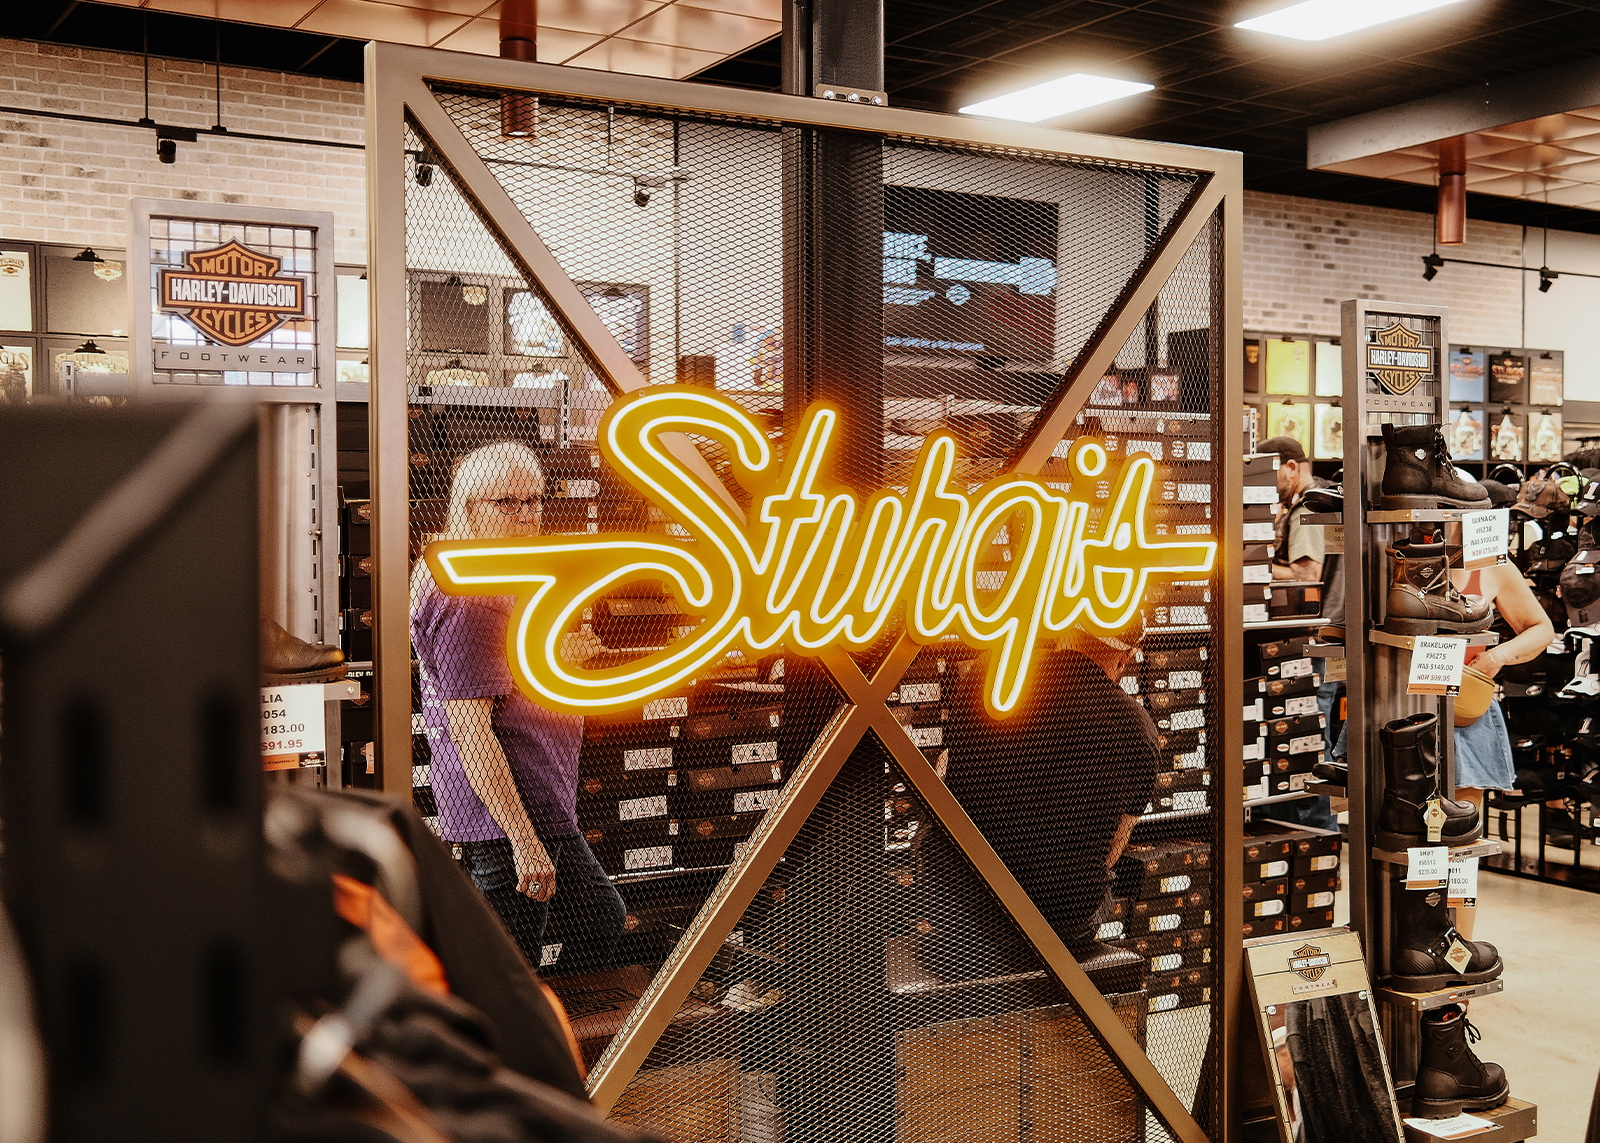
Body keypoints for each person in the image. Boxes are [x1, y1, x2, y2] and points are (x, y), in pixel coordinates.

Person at [411, 440, 625, 973]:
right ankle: (538, 1044)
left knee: (568, 930)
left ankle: (553, 1033)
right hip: (506, 810)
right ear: (468, 510)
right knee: (539, 945)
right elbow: (471, 730)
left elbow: (511, 676)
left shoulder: (500, 575)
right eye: (507, 503)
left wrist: (559, 659)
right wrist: (523, 840)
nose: (526, 515)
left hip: (536, 796)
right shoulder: (471, 595)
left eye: (533, 500)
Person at [927, 625, 1160, 958]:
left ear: (1066, 628)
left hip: (964, 908)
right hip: (1062, 920)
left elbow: (951, 776)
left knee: (941, 779)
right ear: (1125, 659)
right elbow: (1112, 849)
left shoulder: (992, 674)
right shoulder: (1139, 728)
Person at [1448, 559, 1554, 939]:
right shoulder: (1395, 550)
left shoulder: (1490, 565)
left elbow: (1541, 627)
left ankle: (1457, 958)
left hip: (1465, 710)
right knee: (1399, 835)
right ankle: (1402, 954)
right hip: (1399, 704)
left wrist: (1496, 657)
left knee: (1460, 846)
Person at [1257, 436, 1338, 832]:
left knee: (1305, 742)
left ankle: (1316, 834)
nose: (1268, 483)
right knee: (1303, 740)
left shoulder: (1308, 508)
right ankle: (1305, 834)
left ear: (1291, 466)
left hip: (1312, 641)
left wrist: (1253, 566)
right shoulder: (1317, 502)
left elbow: (1307, 577)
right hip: (1318, 639)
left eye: (1270, 471)